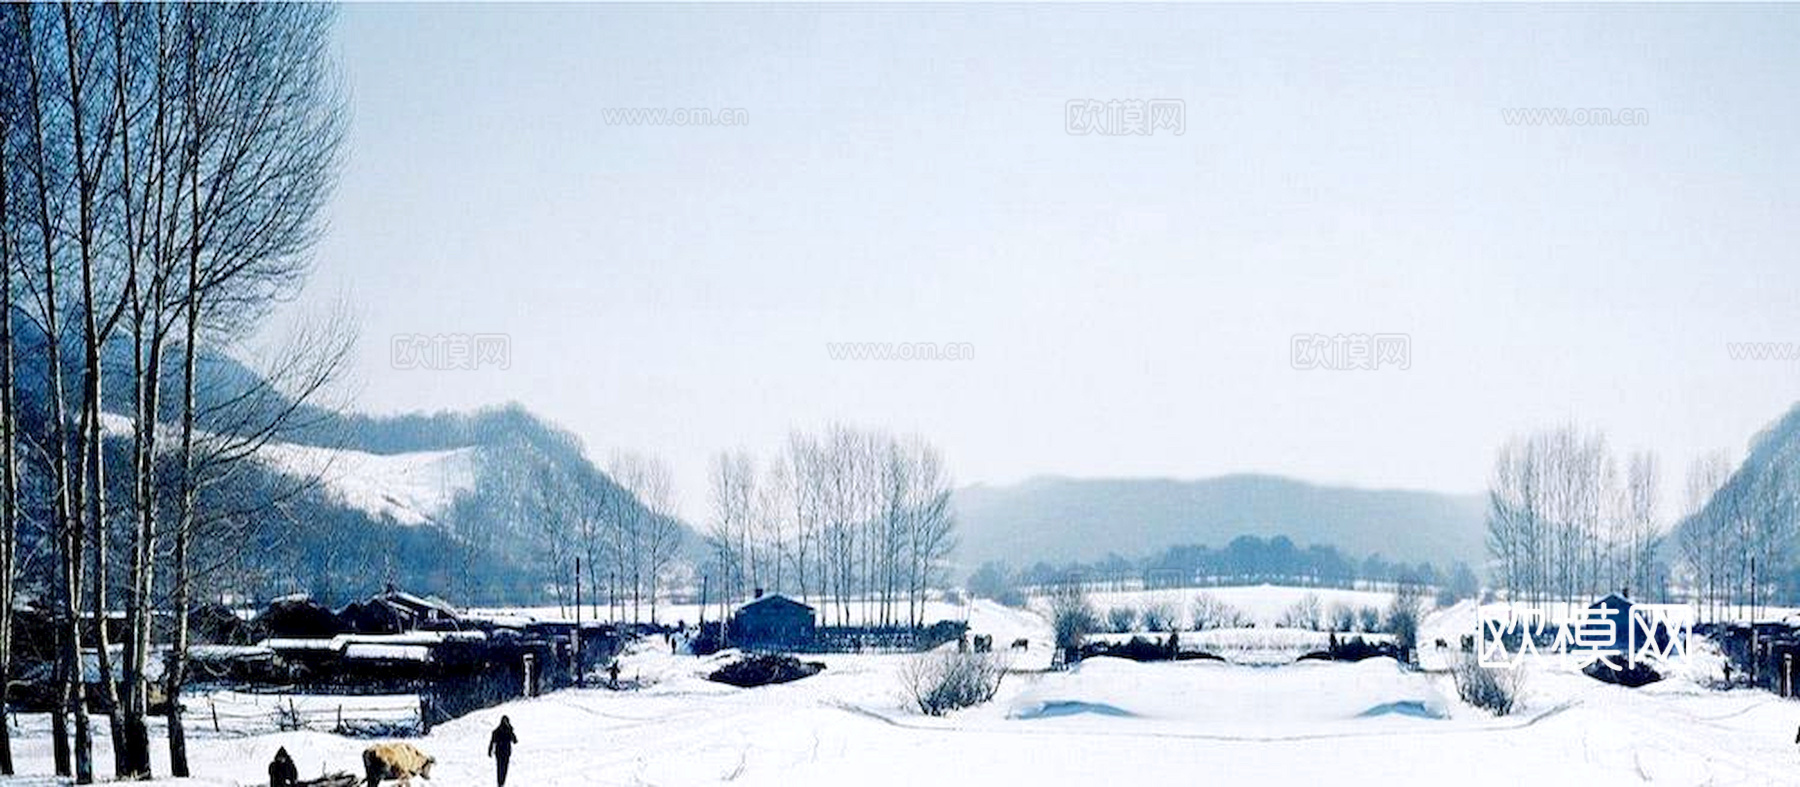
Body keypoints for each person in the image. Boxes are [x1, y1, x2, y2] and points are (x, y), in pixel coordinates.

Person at [488, 715, 518, 787]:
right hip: (501, 752)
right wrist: (490, 750)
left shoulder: (507, 731)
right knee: (501, 768)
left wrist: (511, 731)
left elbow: (515, 741)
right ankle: (500, 783)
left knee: (503, 768)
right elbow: (492, 741)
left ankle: (501, 783)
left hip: (504, 752)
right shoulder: (498, 731)